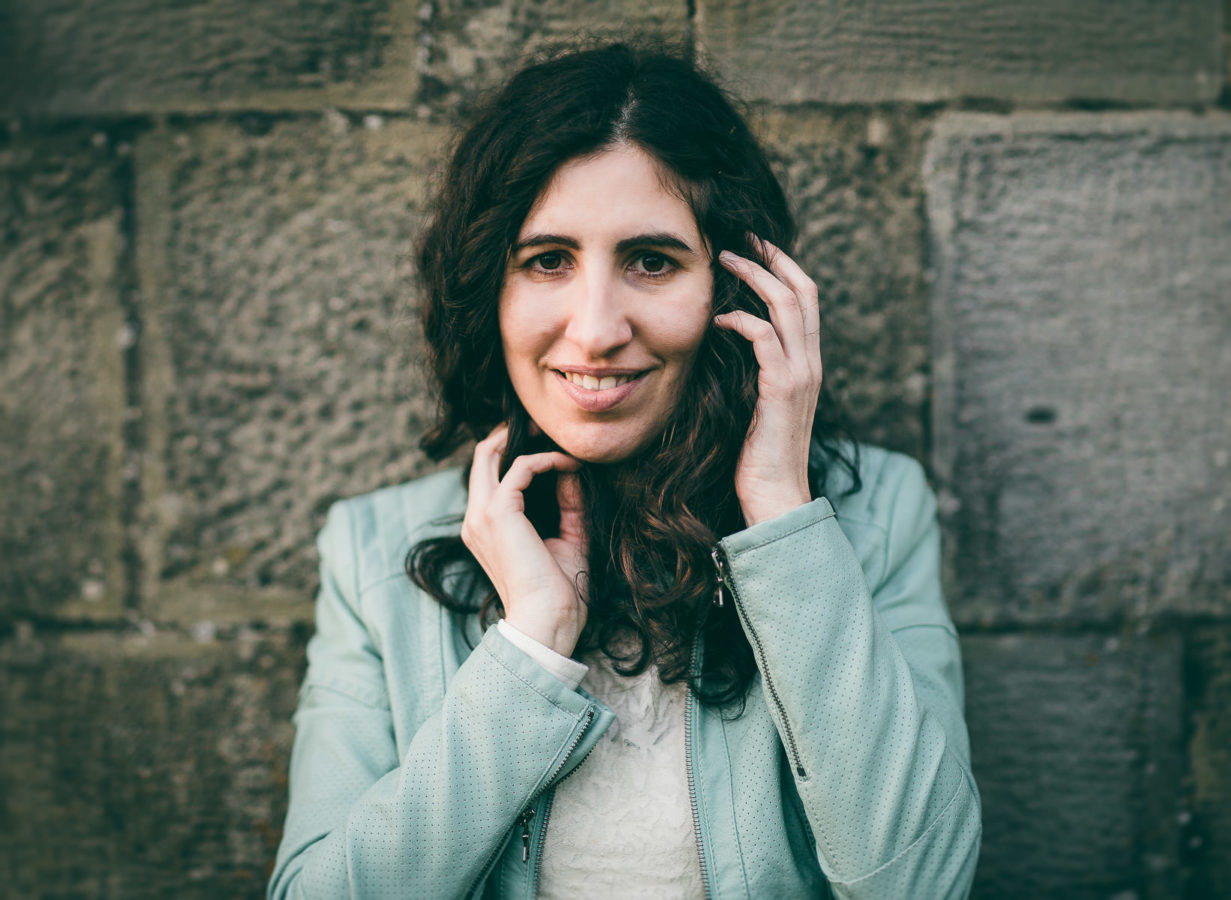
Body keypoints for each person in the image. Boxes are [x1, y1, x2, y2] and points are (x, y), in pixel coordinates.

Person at [268, 42, 980, 900]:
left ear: (736, 289)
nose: (597, 328)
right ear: (486, 291)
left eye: (651, 260)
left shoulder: (872, 518)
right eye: (547, 261)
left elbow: (923, 882)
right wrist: (529, 647)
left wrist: (782, 522)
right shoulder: (373, 552)